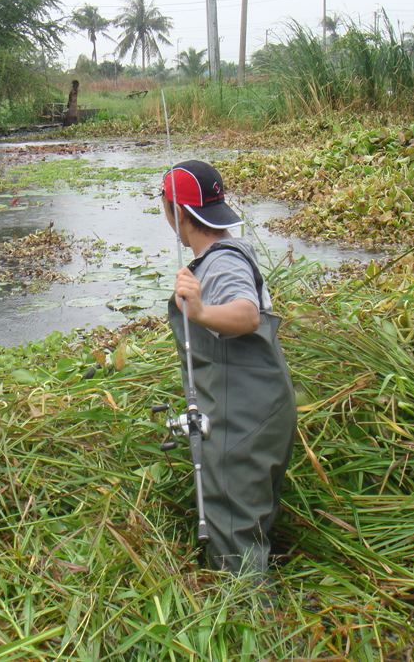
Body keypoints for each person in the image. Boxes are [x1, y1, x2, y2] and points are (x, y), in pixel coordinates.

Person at [160, 159, 297, 577]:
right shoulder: (227, 252)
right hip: (261, 406)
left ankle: (249, 625)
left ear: (179, 213)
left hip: (243, 420)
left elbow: (246, 314)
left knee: (234, 542)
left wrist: (199, 311)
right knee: (250, 524)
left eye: (165, 206)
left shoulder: (222, 264)